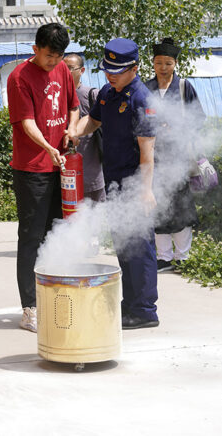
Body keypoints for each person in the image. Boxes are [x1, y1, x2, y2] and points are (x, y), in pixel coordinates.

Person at [73, 38, 159, 329]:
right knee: (123, 245)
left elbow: (147, 151)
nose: (111, 75)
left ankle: (145, 310)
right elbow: (92, 122)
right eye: (107, 70)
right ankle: (130, 306)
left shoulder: (142, 100)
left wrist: (146, 190)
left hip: (135, 183)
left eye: (117, 71)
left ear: (134, 68)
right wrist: (74, 131)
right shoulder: (108, 93)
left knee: (140, 245)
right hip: (113, 181)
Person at [6, 22, 79, 332]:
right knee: (32, 237)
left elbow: (74, 107)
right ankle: (30, 306)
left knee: (57, 234)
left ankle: (54, 296)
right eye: (49, 55)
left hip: (60, 166)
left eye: (58, 56)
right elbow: (25, 123)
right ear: (35, 49)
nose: (53, 62)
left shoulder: (62, 69)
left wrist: (71, 130)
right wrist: (49, 147)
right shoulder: (19, 77)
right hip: (32, 168)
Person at [145, 38, 204, 272]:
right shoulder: (145, 89)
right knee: (157, 204)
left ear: (175, 63)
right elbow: (137, 118)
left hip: (179, 156)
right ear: (153, 63)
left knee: (181, 207)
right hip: (153, 157)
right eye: (159, 63)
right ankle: (164, 257)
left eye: (168, 63)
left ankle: (183, 257)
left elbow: (198, 118)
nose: (163, 68)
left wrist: (176, 128)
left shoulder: (183, 87)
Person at [62, 53, 106, 202]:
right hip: (65, 170)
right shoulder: (55, 94)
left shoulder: (92, 95)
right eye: (62, 68)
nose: (66, 72)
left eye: (70, 68)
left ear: (82, 71)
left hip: (91, 170)